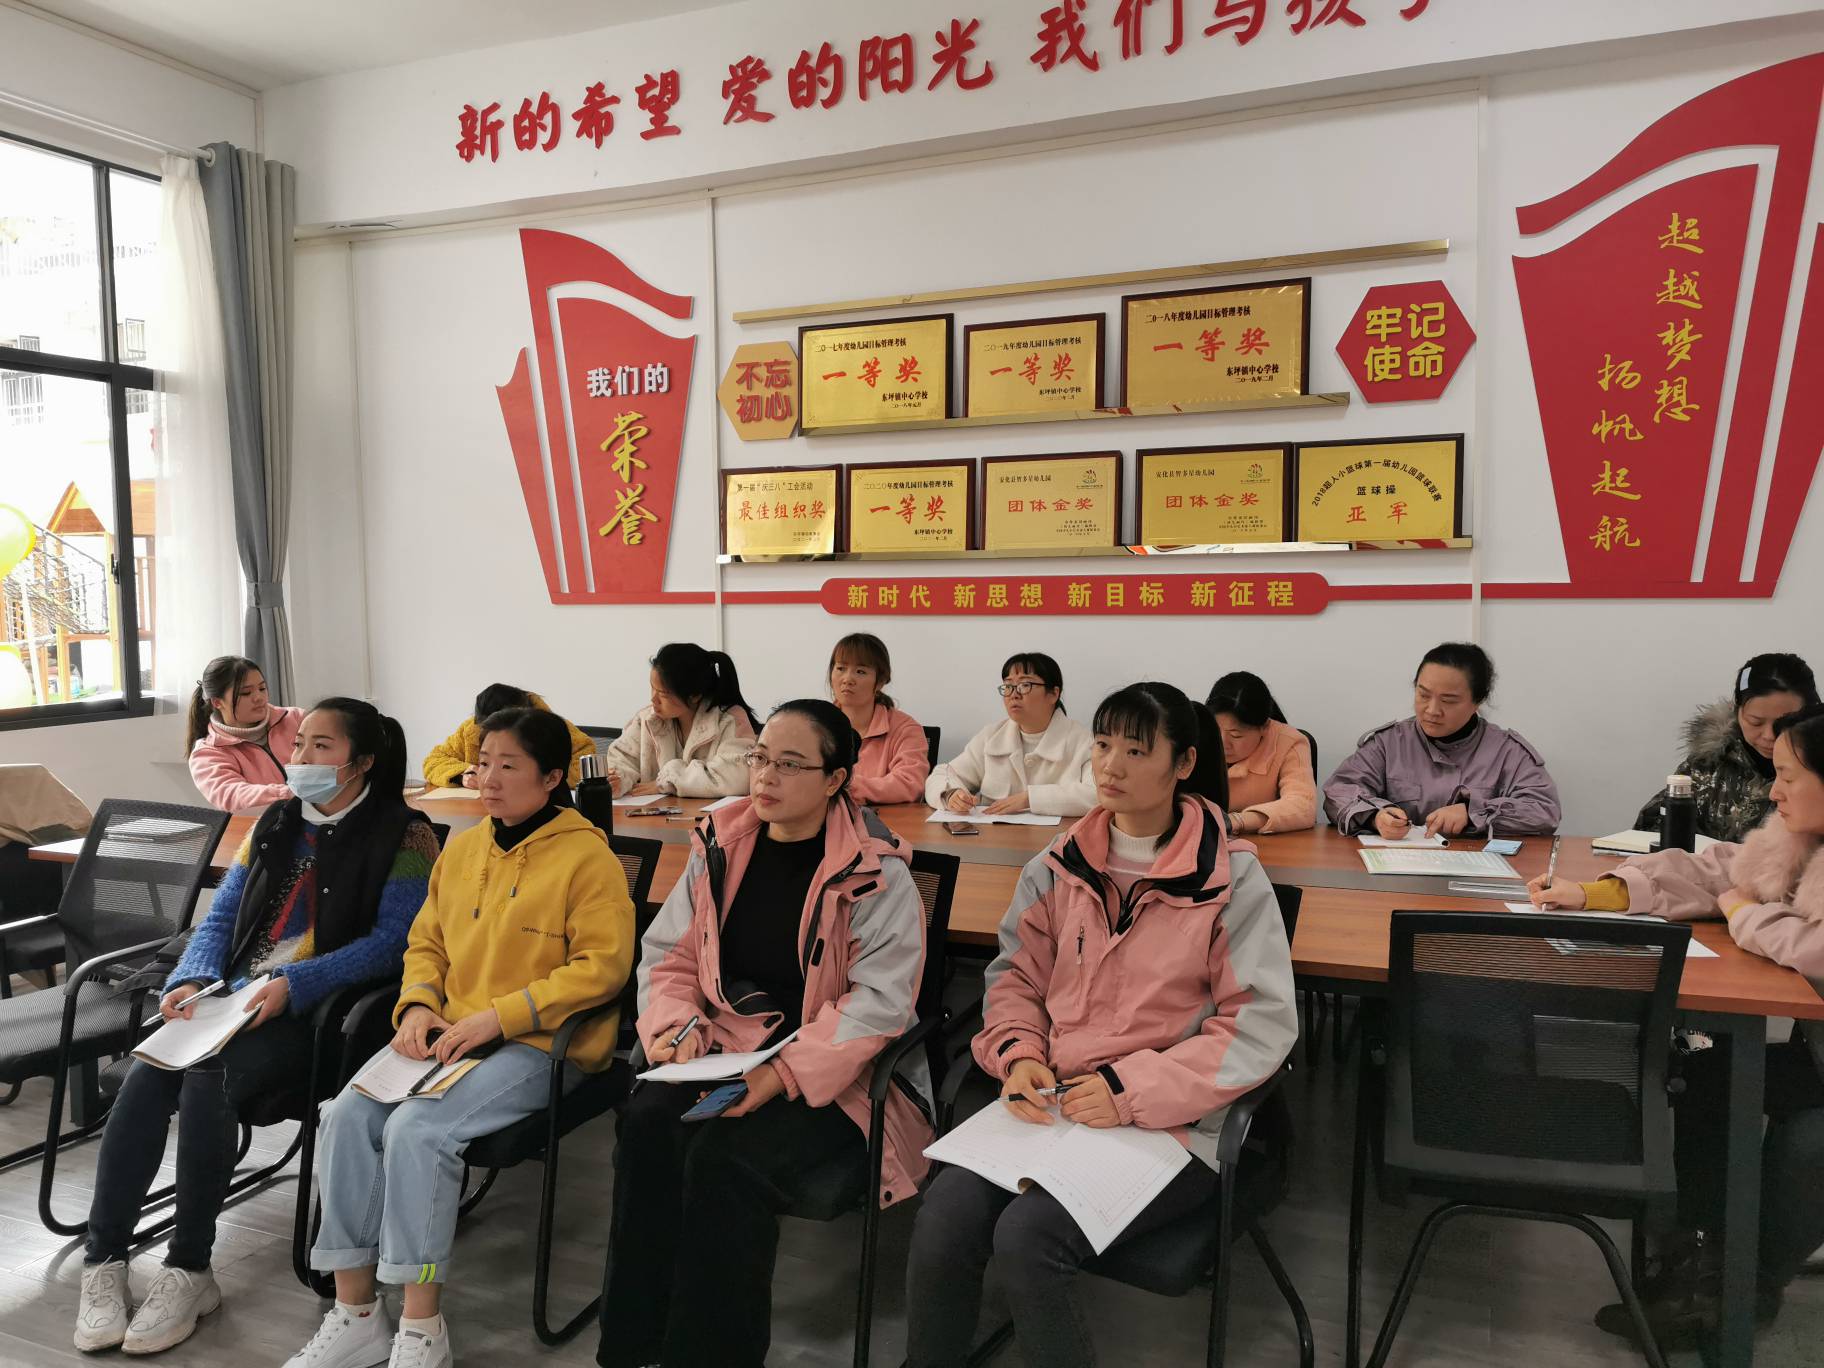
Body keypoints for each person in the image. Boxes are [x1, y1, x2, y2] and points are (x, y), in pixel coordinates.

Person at [905, 683, 1299, 1368]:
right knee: (942, 1216)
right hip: (1056, 1101)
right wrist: (1019, 1054)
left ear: (1183, 763)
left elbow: (1258, 1026)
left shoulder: (1230, 878)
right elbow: (1015, 978)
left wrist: (1128, 1090)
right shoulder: (1058, 865)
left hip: (1172, 1122)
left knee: (1029, 1239)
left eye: (1136, 751)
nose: (1110, 765)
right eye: (1103, 744)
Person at [76, 700, 436, 1357]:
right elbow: (221, 918)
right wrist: (192, 977)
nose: (301, 758)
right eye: (299, 744)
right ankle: (103, 1259)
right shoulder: (275, 821)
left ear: (362, 762)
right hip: (229, 1000)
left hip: (315, 1015)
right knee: (148, 1075)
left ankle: (190, 1268)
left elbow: (394, 943)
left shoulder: (406, 835)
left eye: (321, 747)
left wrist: (296, 982)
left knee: (205, 1079)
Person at [293, 707, 633, 1368]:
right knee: (346, 1117)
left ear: (552, 778)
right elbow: (427, 943)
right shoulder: (466, 846)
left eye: (508, 766)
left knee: (418, 1130)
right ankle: (356, 1313)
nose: (489, 779)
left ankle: (422, 1327)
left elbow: (603, 968)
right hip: (450, 1035)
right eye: (483, 764)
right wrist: (418, 1006)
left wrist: (500, 1017)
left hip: (542, 1044)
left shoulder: (587, 856)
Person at [597, 699, 931, 1368]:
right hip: (721, 1055)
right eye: (759, 759)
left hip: (833, 1079)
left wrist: (780, 1074)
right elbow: (670, 958)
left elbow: (878, 1006)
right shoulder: (721, 846)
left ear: (835, 779)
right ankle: (632, 1345)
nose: (765, 777)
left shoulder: (876, 872)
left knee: (724, 1161)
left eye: (789, 764)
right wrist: (675, 1029)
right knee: (649, 1124)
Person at [1530, 702, 1824, 1348]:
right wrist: (1600, 893)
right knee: (1713, 1065)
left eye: (1787, 777)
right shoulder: (1795, 840)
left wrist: (1742, 913)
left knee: (1809, 1143)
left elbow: (1812, 947)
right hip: (1811, 1049)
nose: (1772, 792)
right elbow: (1714, 870)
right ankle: (1698, 1256)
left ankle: (1742, 1287)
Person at [1322, 641, 1561, 837]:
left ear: (1477, 702)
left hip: (1478, 870)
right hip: (1398, 869)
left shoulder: (1507, 751)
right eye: (1423, 695)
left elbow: (1544, 810)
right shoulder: (1389, 743)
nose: (1432, 710)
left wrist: (1472, 813)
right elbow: (1339, 791)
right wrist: (1376, 816)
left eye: (1448, 701)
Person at [1632, 653, 1817, 843]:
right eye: (1755, 722)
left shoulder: (1817, 773)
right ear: (1738, 712)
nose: (1769, 735)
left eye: (1784, 723)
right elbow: (1650, 832)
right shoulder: (1710, 762)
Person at [925, 652, 1095, 817]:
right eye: (1008, 686)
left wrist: (1030, 799)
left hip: (1058, 835)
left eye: (1025, 685)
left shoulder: (1083, 741)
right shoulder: (991, 736)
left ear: (1054, 694)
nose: (1014, 694)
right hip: (993, 834)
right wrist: (951, 795)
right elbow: (941, 774)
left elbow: (1097, 795)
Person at [600, 643, 759, 797]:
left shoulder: (729, 720)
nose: (653, 699)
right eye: (652, 688)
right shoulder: (647, 719)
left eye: (663, 694)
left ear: (694, 696)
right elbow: (621, 757)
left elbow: (737, 777)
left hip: (706, 813)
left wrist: (669, 781)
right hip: (652, 812)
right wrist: (619, 779)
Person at [186, 655, 304, 813]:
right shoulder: (208, 753)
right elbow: (233, 795)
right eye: (246, 693)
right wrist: (293, 794)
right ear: (217, 702)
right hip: (269, 825)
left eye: (262, 688)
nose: (259, 698)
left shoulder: (297, 718)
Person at [420, 682, 595, 788]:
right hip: (478, 813)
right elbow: (433, 761)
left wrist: (535, 780)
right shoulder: (470, 730)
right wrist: (461, 775)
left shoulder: (553, 728)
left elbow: (587, 763)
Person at [1207, 670, 1316, 835]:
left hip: (1263, 843)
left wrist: (1238, 821)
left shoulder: (1289, 743)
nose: (1222, 743)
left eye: (1236, 735)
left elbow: (1303, 805)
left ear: (1264, 727)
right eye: (1216, 730)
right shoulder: (1197, 732)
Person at [829, 632, 930, 805]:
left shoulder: (905, 728)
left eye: (860, 671)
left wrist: (844, 786)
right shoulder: (813, 725)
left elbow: (909, 784)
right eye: (841, 668)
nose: (847, 679)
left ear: (881, 681)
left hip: (880, 820)